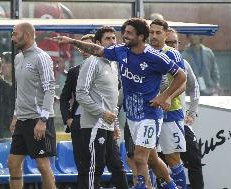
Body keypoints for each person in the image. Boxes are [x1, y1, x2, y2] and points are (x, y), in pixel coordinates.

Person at [54, 17, 186, 189]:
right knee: (151, 158)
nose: (124, 36)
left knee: (138, 158)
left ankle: (141, 186)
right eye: (124, 32)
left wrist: (165, 96)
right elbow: (97, 49)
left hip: (150, 114)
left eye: (129, 33)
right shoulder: (121, 51)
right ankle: (171, 185)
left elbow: (181, 76)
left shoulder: (155, 57)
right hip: (132, 116)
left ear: (141, 36)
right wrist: (72, 41)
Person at [75, 26, 128, 189]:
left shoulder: (113, 64)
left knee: (117, 166)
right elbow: (81, 94)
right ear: (97, 43)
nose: (112, 41)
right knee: (95, 168)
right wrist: (102, 113)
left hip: (109, 125)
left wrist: (116, 125)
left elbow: (111, 99)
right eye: (108, 39)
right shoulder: (91, 62)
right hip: (94, 124)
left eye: (114, 38)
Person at [8, 22, 56, 189]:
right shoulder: (18, 58)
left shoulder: (42, 57)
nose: (12, 38)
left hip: (38, 120)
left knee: (43, 165)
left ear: (26, 36)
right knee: (13, 163)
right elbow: (20, 90)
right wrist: (15, 115)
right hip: (22, 119)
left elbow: (50, 89)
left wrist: (43, 121)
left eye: (15, 34)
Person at [149, 19, 186, 189]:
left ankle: (180, 186)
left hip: (171, 112)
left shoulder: (172, 54)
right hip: (148, 113)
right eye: (151, 32)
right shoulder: (143, 52)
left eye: (158, 32)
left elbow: (183, 83)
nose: (154, 36)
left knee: (172, 157)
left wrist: (168, 97)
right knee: (149, 156)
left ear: (165, 34)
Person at [166, 28, 204, 189]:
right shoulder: (153, 62)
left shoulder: (183, 62)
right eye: (169, 42)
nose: (173, 46)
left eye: (175, 42)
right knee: (161, 164)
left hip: (180, 121)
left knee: (194, 160)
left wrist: (192, 112)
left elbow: (194, 87)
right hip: (158, 121)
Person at [60, 34, 94, 179]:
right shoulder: (74, 72)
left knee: (102, 163)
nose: (84, 50)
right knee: (82, 165)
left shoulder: (107, 68)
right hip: (78, 122)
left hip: (100, 121)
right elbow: (64, 97)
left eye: (88, 46)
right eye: (81, 46)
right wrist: (68, 119)